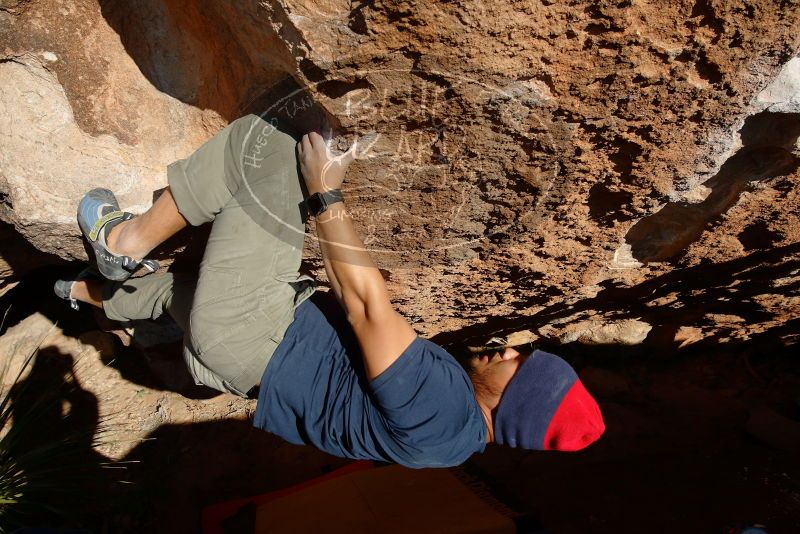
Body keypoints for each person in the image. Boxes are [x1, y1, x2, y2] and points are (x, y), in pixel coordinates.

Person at [56, 114, 605, 468]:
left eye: (520, 362)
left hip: (254, 330)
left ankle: (121, 240)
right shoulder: (453, 442)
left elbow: (366, 306)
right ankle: (80, 290)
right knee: (176, 291)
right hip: (241, 356)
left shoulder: (442, 412)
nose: (508, 349)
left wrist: (324, 191)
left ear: (517, 405)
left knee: (266, 145)